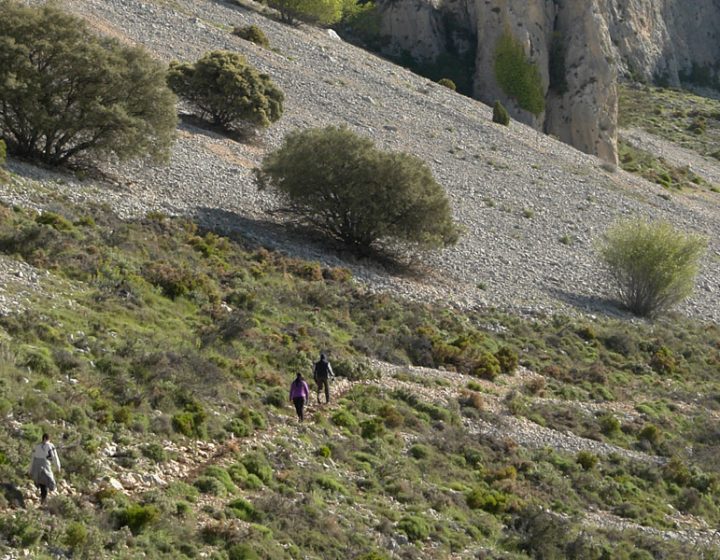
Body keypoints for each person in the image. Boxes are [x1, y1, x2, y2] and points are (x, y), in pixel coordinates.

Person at [29, 433, 61, 505]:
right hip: (45, 465)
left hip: (36, 466)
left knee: (41, 483)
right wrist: (58, 467)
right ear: (48, 439)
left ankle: (43, 499)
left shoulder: (37, 446)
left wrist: (30, 470)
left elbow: (32, 458)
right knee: (47, 481)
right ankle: (43, 500)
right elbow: (55, 457)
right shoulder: (50, 446)